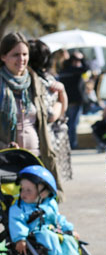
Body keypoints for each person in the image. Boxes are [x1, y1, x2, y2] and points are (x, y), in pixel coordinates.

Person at [0, 32, 62, 191]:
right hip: (5, 163)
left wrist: (62, 95)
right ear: (3, 57)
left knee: (37, 211)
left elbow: (51, 116)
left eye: (24, 54)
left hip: (37, 160)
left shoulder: (36, 82)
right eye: (15, 55)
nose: (21, 59)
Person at [9, 165, 81, 255]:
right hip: (35, 233)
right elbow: (16, 222)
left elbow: (58, 218)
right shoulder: (18, 207)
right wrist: (20, 238)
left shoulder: (49, 203)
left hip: (52, 230)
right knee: (49, 236)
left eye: (29, 190)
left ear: (43, 193)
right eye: (22, 189)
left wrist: (69, 229)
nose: (23, 193)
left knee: (68, 239)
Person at [27, 39, 72, 181]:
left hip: (48, 140)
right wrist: (61, 98)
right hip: (48, 140)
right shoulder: (45, 78)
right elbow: (54, 113)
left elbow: (52, 114)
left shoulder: (40, 79)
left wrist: (60, 98)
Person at [57, 51, 90, 149]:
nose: (78, 62)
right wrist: (83, 58)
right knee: (73, 124)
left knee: (68, 123)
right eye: (77, 60)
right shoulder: (76, 70)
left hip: (67, 100)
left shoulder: (63, 70)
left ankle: (67, 143)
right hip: (75, 100)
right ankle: (73, 144)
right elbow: (87, 68)